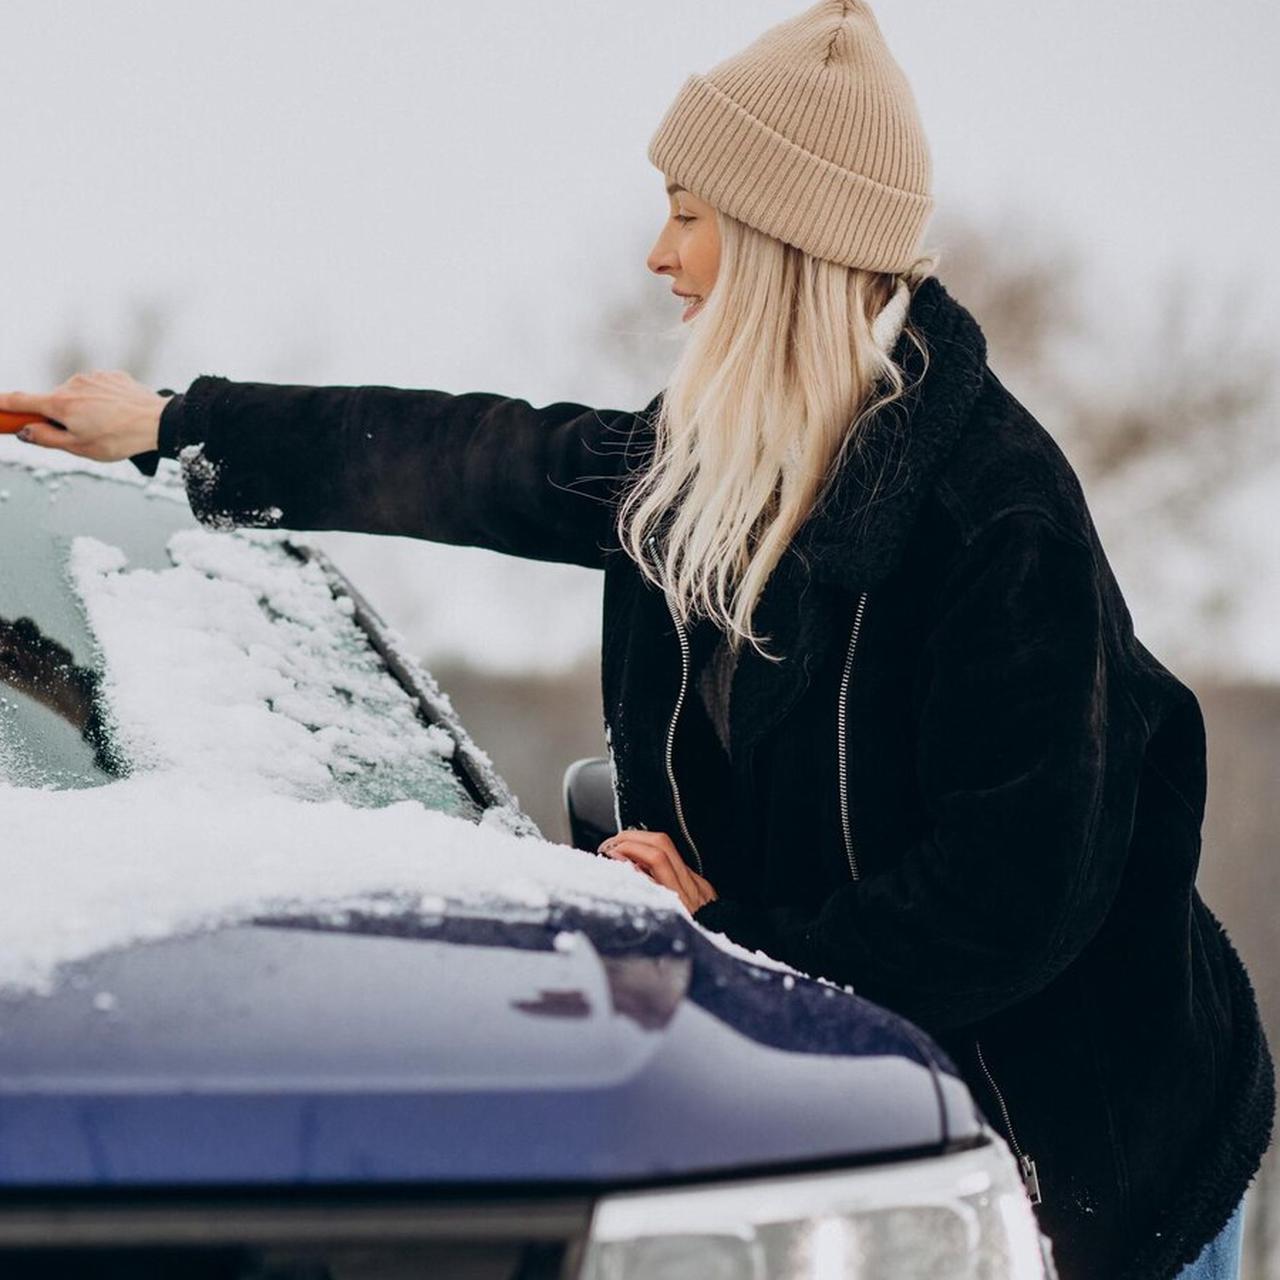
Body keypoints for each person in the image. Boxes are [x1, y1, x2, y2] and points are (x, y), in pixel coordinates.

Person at [0, 2, 1271, 1276]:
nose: (657, 255)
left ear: (778, 240)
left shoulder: (993, 519)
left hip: (1103, 1147)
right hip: (885, 1118)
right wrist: (174, 422)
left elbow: (1008, 899)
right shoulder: (720, 465)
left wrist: (736, 935)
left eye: (686, 213)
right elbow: (477, 461)